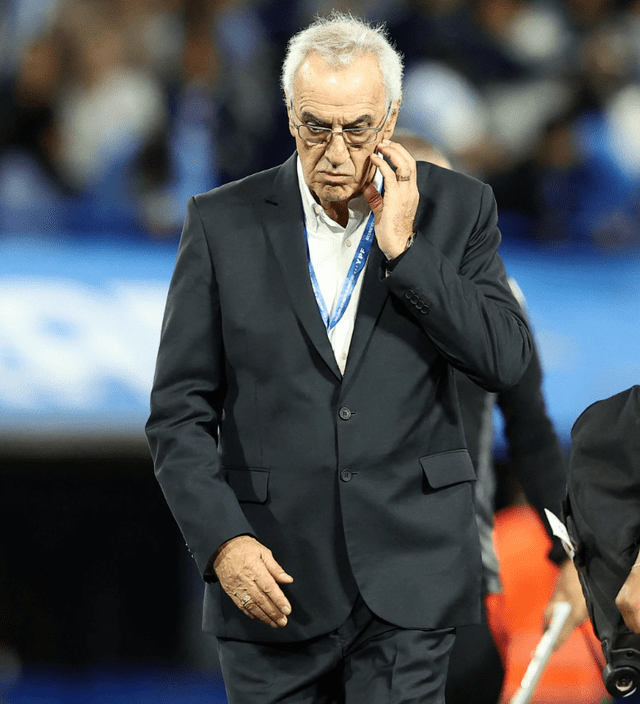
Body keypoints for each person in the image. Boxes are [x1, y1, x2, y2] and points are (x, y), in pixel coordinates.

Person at [145, 12, 533, 703]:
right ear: (290, 117)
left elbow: (502, 360)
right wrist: (223, 542)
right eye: (315, 126)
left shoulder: (459, 210)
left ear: (391, 117)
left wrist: (408, 254)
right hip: (271, 579)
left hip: (410, 577)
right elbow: (178, 413)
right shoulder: (222, 222)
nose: (334, 149)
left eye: (357, 128)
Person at [393, 130, 588, 703]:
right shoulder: (334, 292)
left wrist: (575, 556)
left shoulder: (497, 295)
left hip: (461, 587)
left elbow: (531, 437)